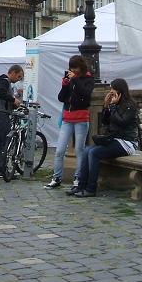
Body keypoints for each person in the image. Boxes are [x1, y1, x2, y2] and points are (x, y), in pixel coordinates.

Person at [73, 78, 138, 198]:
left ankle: (91, 188)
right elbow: (105, 122)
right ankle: (80, 186)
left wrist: (112, 106)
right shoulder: (115, 105)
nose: (111, 93)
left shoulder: (130, 105)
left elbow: (122, 122)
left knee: (94, 153)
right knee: (87, 150)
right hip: (114, 139)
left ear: (120, 91)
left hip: (127, 143)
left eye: (113, 90)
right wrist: (106, 106)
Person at [46, 56, 94, 192]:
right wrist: (65, 84)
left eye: (75, 68)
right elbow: (61, 98)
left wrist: (75, 80)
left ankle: (78, 179)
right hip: (67, 118)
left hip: (81, 118)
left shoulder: (88, 79)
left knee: (79, 150)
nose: (73, 70)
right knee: (60, 150)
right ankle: (56, 178)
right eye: (71, 68)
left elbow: (86, 95)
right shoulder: (71, 79)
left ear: (81, 67)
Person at [0, 65, 24, 178]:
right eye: (18, 76)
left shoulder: (1, 81)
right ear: (13, 72)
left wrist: (12, 104)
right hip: (0, 114)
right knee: (3, 143)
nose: (18, 79)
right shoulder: (4, 81)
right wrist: (13, 100)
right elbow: (0, 93)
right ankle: (1, 170)